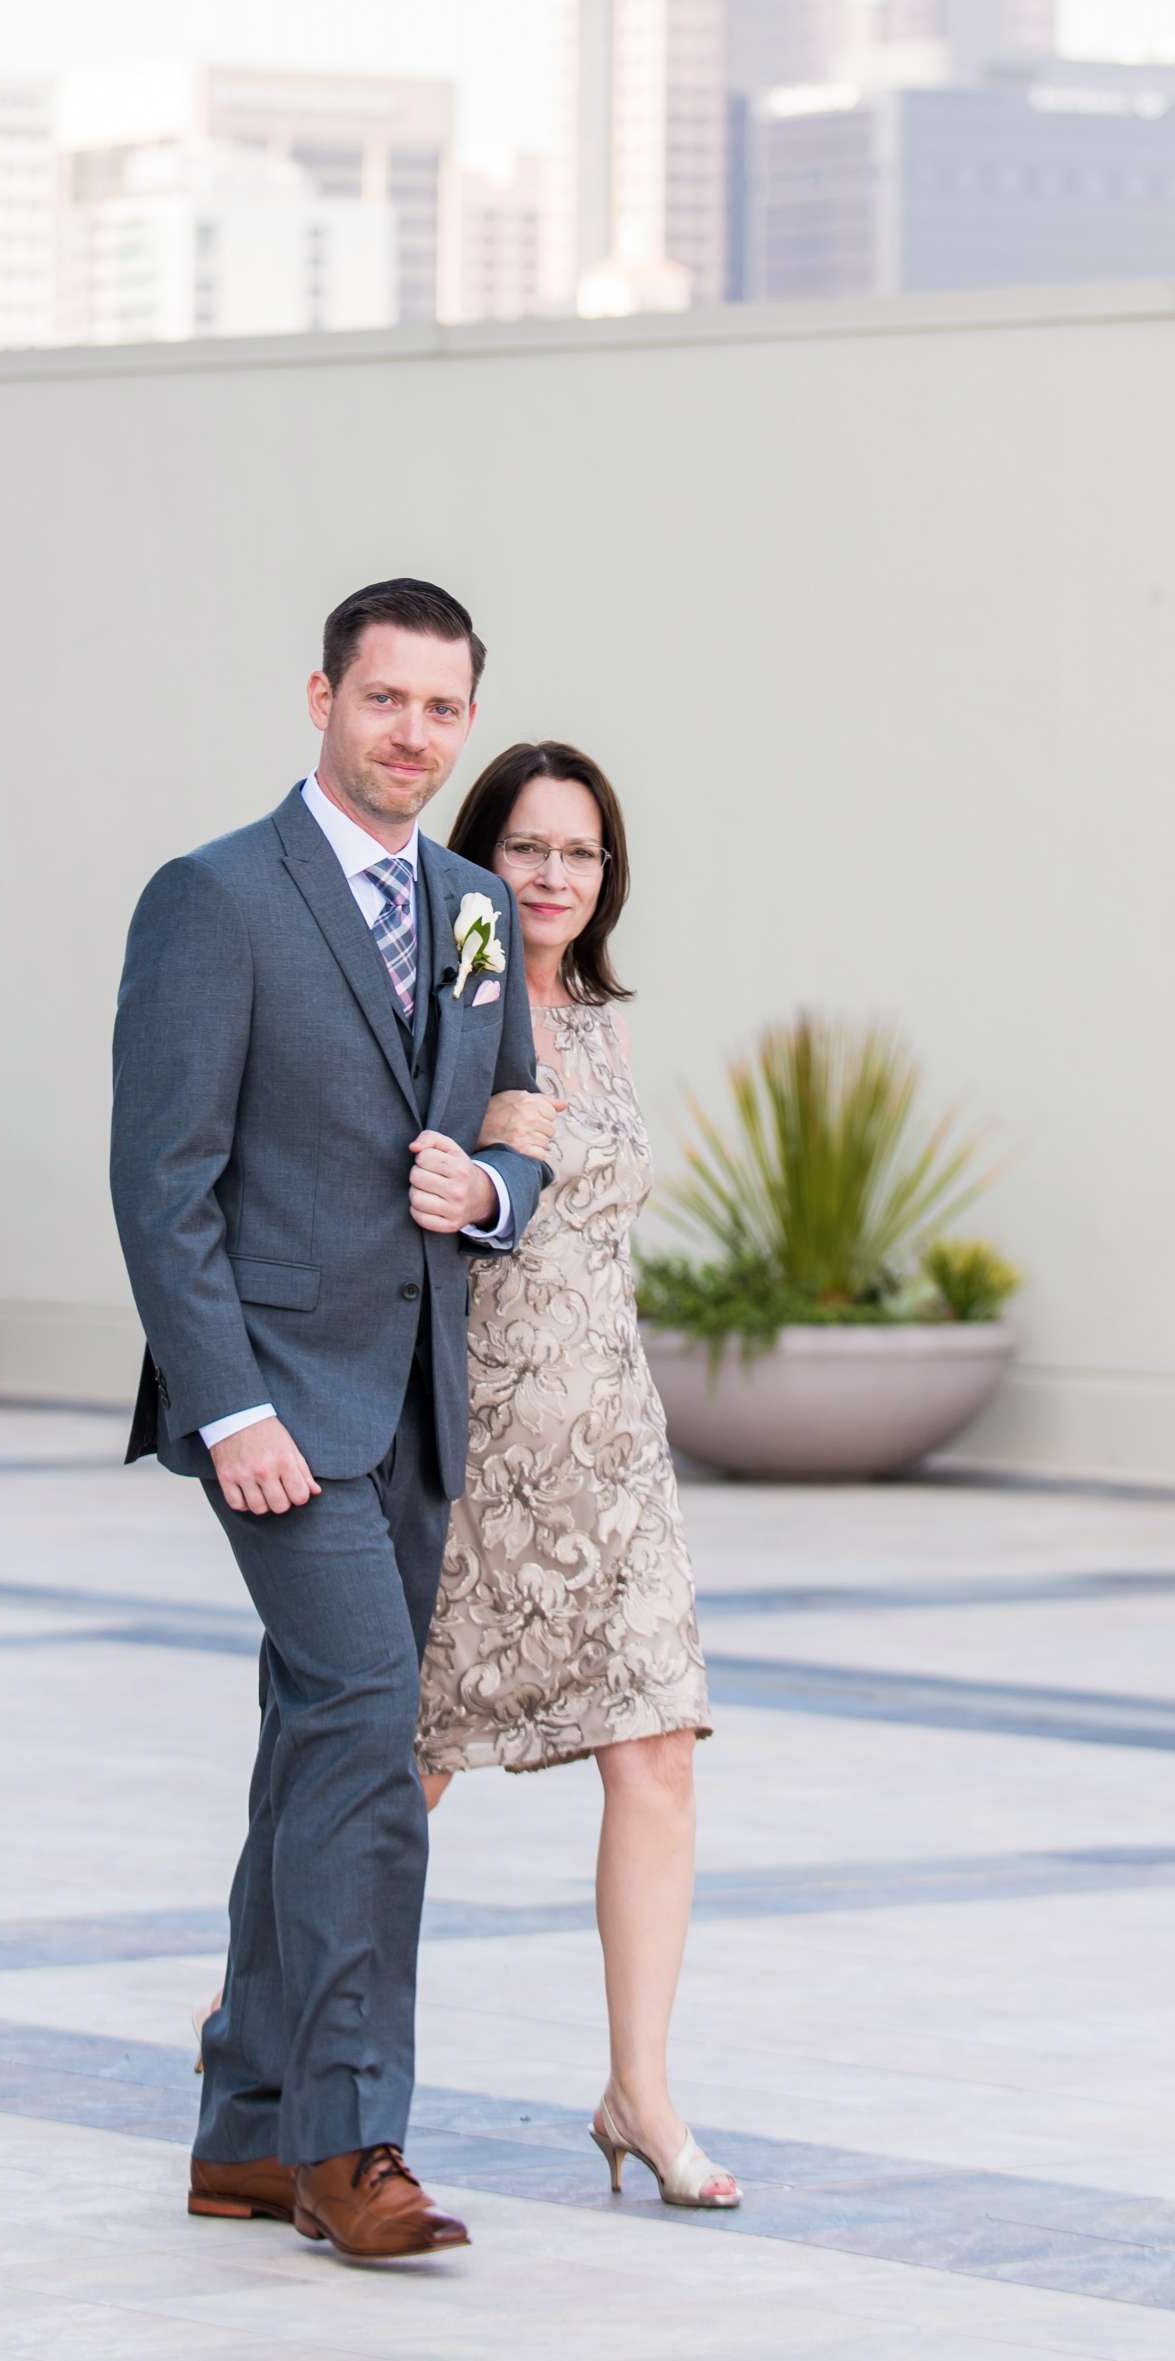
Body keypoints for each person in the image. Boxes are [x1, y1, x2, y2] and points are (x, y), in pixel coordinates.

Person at [110, 580, 550, 2263]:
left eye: (445, 710)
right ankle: (352, 2142)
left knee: (318, 1737)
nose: (416, 737)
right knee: (372, 1732)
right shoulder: (216, 898)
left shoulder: (471, 908)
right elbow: (163, 1187)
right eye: (387, 702)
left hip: (417, 1399)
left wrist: (493, 1187)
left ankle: (243, 2128)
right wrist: (228, 1409)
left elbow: (515, 1114)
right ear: (321, 698)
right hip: (277, 1411)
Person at [417, 739, 740, 2211]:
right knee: (394, 1772)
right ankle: (272, 2039)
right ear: (481, 852)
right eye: (531, 848)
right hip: (472, 1444)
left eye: (584, 854)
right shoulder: (433, 1005)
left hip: (612, 1446)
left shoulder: (601, 1022)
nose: (556, 877)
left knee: (657, 1749)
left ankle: (641, 2091)